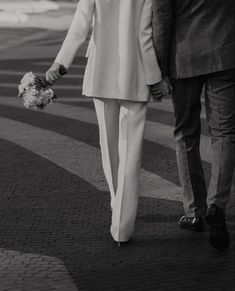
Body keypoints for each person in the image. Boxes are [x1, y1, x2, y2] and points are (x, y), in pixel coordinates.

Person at [46, 0, 170, 244]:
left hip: (101, 71)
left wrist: (60, 63)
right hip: (134, 74)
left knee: (109, 146)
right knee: (131, 153)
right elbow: (145, 35)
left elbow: (80, 24)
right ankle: (123, 225)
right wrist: (155, 78)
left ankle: (117, 203)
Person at [152, 0, 235, 250]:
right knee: (225, 134)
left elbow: (161, 19)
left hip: (183, 58)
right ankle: (216, 206)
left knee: (186, 133)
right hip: (225, 54)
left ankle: (194, 212)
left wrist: (159, 69)